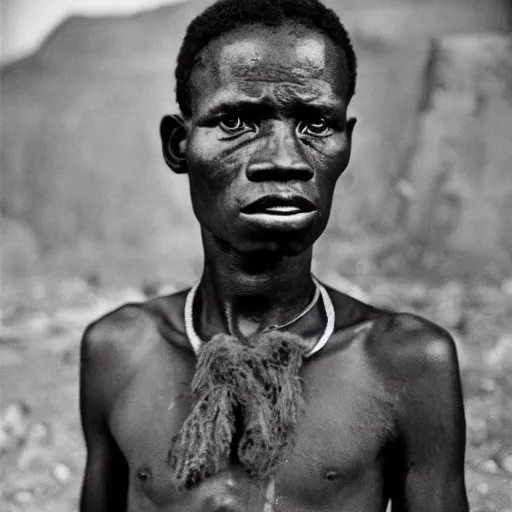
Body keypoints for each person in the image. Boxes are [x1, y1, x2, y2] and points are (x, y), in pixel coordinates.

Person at [79, 0, 469, 510]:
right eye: (238, 120)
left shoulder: (406, 363)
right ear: (180, 145)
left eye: (315, 124)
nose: (284, 160)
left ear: (345, 144)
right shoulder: (118, 351)